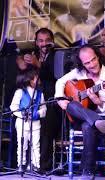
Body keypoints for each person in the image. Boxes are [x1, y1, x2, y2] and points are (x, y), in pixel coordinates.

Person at [55, 45, 105, 179]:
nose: (91, 65)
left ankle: (87, 171)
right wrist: (60, 99)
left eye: (93, 60)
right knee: (71, 105)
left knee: (87, 125)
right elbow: (60, 82)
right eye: (87, 63)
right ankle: (95, 120)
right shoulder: (78, 73)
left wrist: (98, 101)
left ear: (98, 57)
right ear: (81, 64)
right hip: (86, 118)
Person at [16, 28, 60, 172]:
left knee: (46, 130)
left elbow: (56, 76)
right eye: (40, 41)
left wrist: (38, 64)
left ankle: (42, 165)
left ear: (52, 42)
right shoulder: (33, 55)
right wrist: (22, 63)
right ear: (36, 42)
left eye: (47, 41)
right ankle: (24, 163)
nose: (44, 44)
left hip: (50, 101)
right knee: (24, 127)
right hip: (32, 101)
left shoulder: (57, 56)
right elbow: (26, 76)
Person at [10, 66, 47, 172]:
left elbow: (44, 109)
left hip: (35, 123)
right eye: (36, 78)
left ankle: (36, 166)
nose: (38, 80)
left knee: (36, 145)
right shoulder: (20, 92)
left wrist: (37, 114)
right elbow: (13, 107)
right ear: (30, 79)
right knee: (22, 145)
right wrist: (23, 114)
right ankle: (21, 164)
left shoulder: (40, 93)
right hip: (22, 123)